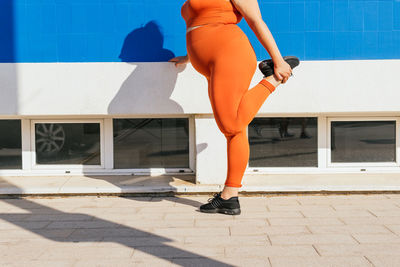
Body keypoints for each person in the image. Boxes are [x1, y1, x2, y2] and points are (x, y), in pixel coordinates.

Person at [169, 0, 299, 215]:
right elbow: (197, 25)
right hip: (212, 62)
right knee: (233, 131)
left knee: (231, 125)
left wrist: (278, 61)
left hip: (230, 52)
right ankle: (230, 197)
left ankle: (272, 80)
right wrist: (189, 56)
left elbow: (256, 20)